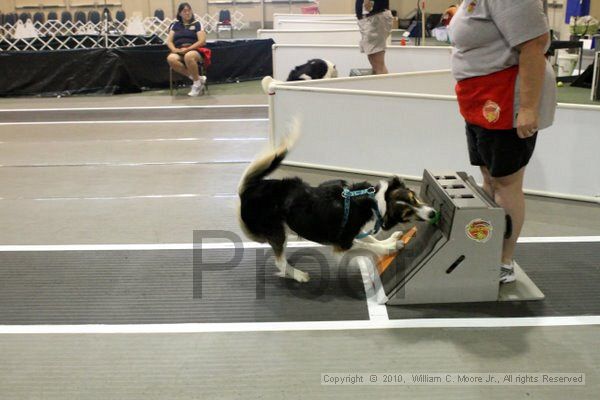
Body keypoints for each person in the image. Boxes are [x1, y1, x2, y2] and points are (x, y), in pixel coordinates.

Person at [448, 0, 556, 283]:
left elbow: (535, 44)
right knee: (489, 178)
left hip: (506, 97)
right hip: (480, 96)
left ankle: (503, 261)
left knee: (506, 183)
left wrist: (529, 108)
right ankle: (488, 249)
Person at [166, 3, 208, 96]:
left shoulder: (197, 24)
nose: (187, 13)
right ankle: (197, 78)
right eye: (184, 11)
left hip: (195, 50)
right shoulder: (175, 25)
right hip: (179, 50)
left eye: (189, 10)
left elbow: (202, 41)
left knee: (189, 56)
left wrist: (188, 49)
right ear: (180, 13)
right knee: (171, 58)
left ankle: (197, 85)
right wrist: (174, 50)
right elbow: (169, 41)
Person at [355, 0, 393, 74]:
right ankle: (379, 84)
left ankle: (382, 85)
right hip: (371, 17)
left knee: (378, 64)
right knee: (374, 60)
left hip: (374, 17)